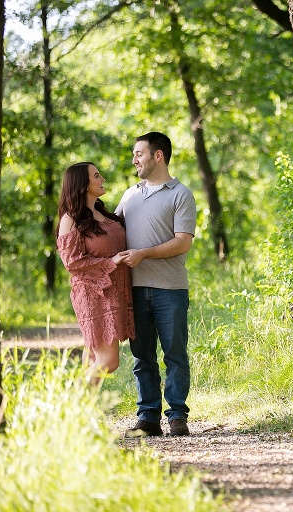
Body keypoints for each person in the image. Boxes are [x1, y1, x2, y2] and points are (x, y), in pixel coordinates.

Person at [116, 131, 197, 438]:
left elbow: (182, 243)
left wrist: (144, 254)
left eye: (139, 153)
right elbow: (110, 229)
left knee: (175, 353)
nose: (134, 159)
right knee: (142, 356)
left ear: (157, 155)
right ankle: (148, 416)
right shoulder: (130, 195)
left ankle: (177, 415)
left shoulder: (181, 194)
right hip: (134, 290)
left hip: (170, 290)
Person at [56, 162, 135, 387]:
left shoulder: (102, 212)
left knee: (93, 357)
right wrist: (112, 261)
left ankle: (81, 417)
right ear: (82, 184)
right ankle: (68, 408)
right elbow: (73, 262)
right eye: (97, 176)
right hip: (93, 296)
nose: (103, 180)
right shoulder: (71, 218)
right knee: (108, 361)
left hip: (115, 293)